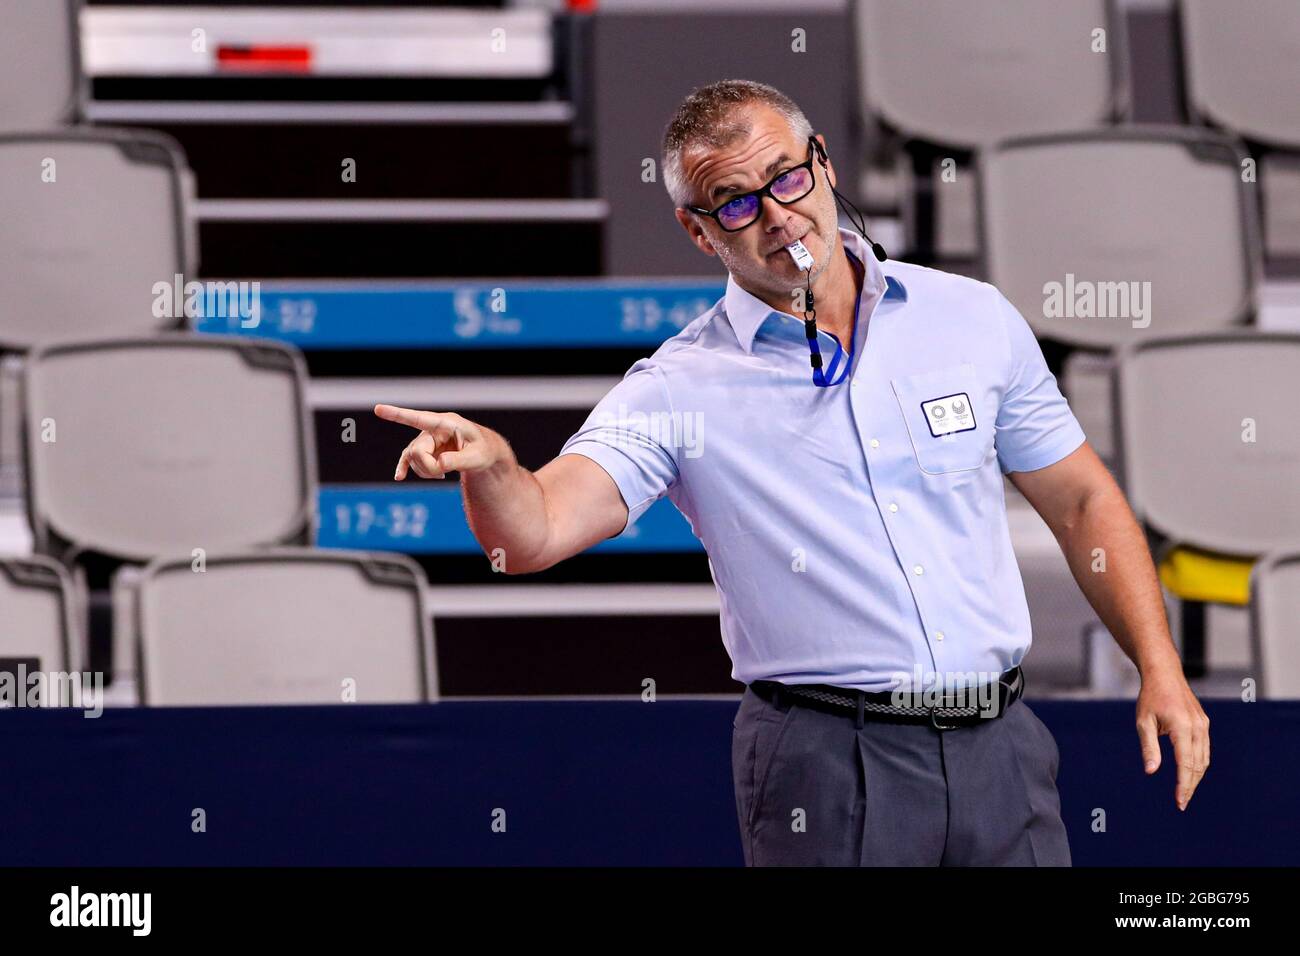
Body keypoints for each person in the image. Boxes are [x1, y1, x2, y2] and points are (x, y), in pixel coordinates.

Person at [375, 79, 1210, 866]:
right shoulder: (677, 387)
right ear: (698, 231)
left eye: (786, 178)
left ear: (823, 162)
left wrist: (1160, 666)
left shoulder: (973, 319)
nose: (777, 216)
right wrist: (492, 469)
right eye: (736, 203)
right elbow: (536, 533)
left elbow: (1081, 500)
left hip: (1005, 745)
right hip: (828, 761)